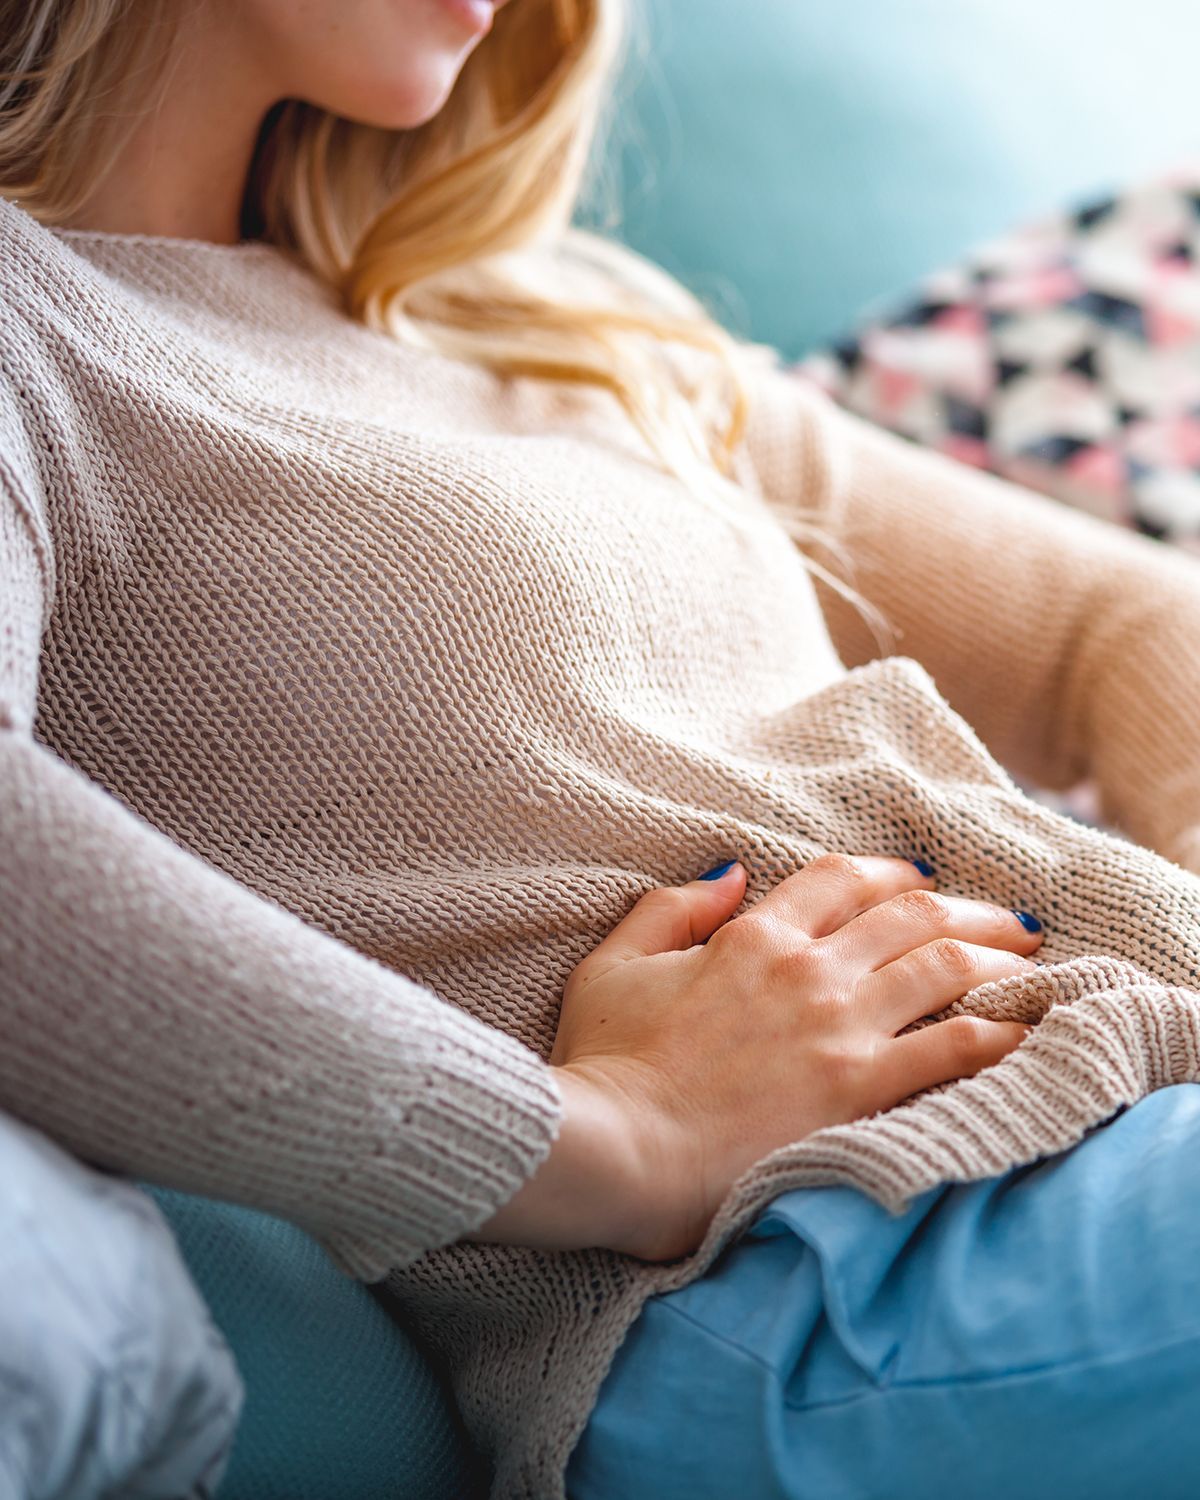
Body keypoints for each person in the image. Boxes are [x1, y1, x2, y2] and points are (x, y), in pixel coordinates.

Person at [3, 1, 1200, 1496]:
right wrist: (606, 1140)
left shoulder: (522, 306)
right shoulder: (34, 321)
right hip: (825, 1262)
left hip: (1117, 1120)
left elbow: (1110, 621)